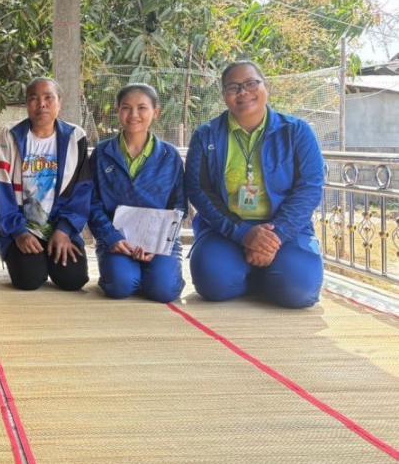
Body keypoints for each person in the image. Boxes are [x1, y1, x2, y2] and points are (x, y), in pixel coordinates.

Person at [186, 61, 325, 309]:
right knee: (213, 283)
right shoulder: (206, 135)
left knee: (299, 291)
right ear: (224, 96)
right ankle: (255, 275)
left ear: (265, 86)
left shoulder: (297, 132)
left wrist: (275, 236)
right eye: (233, 87)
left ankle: (267, 271)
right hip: (226, 229)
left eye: (251, 83)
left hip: (284, 229)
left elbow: (310, 187)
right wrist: (243, 233)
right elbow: (198, 189)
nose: (243, 92)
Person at [0, 78, 91, 291]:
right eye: (33, 99)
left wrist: (64, 230)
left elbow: (82, 190)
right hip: (22, 226)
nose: (41, 104)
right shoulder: (11, 135)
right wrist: (18, 232)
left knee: (73, 279)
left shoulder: (75, 137)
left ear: (59, 102)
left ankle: (50, 252)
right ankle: (27, 258)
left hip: (59, 224)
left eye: (48, 98)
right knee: (28, 280)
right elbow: (0, 187)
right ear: (27, 104)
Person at [88, 84, 186, 302]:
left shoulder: (170, 156)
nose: (134, 114)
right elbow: (92, 203)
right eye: (126, 108)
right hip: (116, 240)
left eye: (142, 108)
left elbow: (179, 206)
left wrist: (158, 243)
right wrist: (111, 237)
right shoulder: (102, 153)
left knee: (164, 291)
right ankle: (126, 273)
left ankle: (152, 275)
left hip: (159, 242)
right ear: (117, 111)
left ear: (156, 112)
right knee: (120, 286)